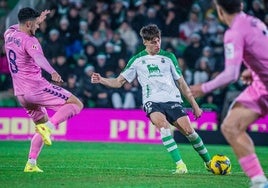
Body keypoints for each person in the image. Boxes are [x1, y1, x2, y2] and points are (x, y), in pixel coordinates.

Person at [91, 24, 211, 174]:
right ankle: (181, 166)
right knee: (164, 127)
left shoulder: (169, 57)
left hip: (172, 100)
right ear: (145, 42)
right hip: (152, 101)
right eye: (153, 42)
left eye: (158, 40)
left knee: (189, 132)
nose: (157, 44)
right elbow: (118, 82)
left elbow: (181, 82)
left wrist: (194, 104)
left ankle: (208, 162)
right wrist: (101, 79)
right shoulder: (137, 60)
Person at [190, 1, 268, 187]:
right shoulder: (255, 21)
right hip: (261, 84)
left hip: (263, 84)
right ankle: (259, 181)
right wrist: (255, 70)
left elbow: (231, 75)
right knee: (231, 126)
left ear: (219, 10)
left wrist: (204, 88)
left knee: (231, 127)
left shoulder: (233, 33)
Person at [4, 7, 83, 172]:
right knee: (76, 104)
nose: (38, 27)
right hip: (36, 88)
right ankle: (50, 127)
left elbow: (21, 27)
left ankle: (31, 163)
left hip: (21, 94)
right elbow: (39, 57)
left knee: (41, 124)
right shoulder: (30, 40)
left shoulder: (9, 33)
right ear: (28, 24)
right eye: (35, 25)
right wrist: (52, 71)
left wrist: (37, 19)